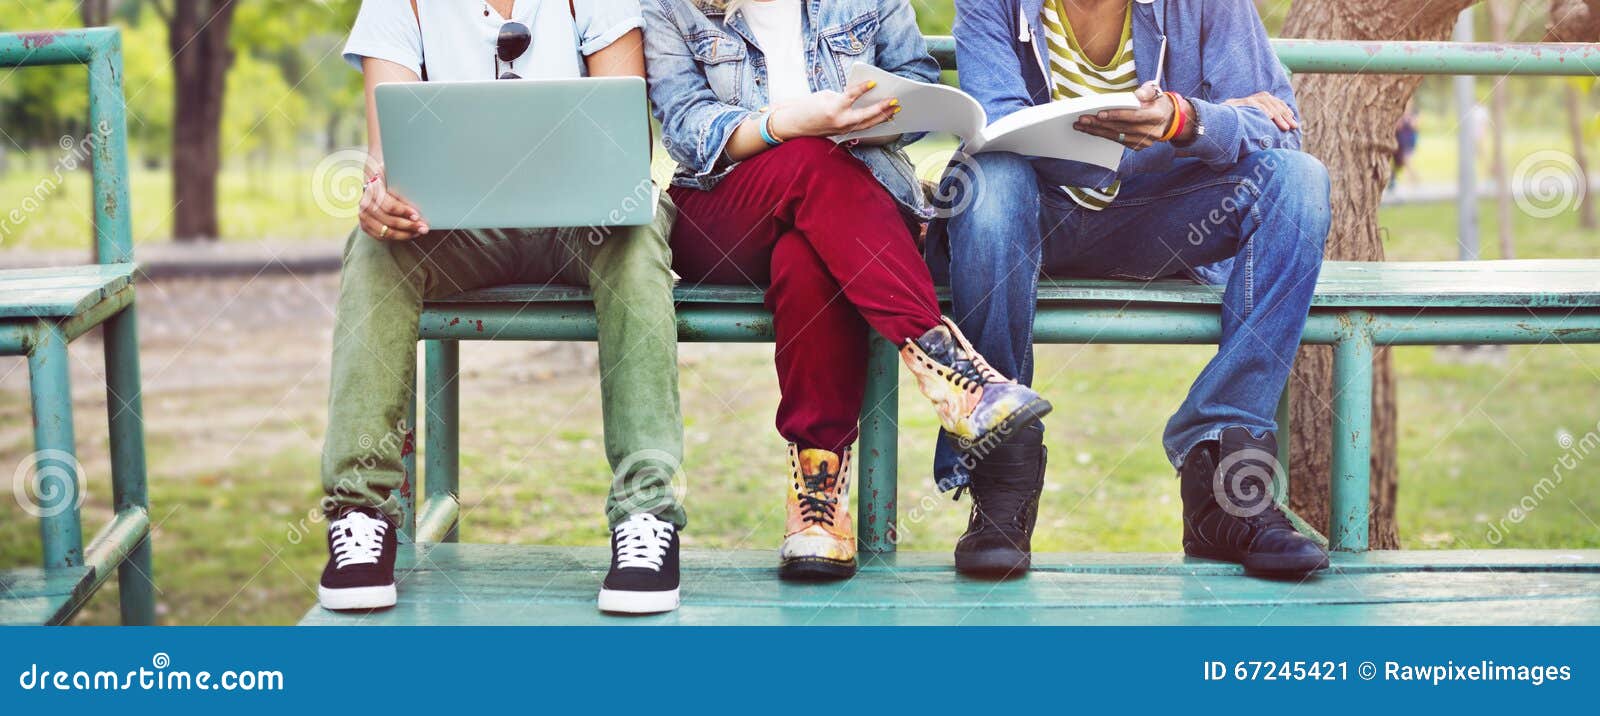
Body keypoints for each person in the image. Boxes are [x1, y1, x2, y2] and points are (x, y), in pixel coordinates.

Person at [641, 0, 1052, 581]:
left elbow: (917, 81)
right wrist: (789, 124)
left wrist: (873, 120)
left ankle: (817, 502)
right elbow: (686, 128)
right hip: (728, 212)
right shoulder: (670, 7)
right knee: (810, 157)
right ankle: (948, 368)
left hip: (858, 206)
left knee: (807, 257)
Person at [929, 0, 1333, 577]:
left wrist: (1185, 120)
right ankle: (1001, 473)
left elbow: (1281, 134)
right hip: (1033, 217)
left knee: (1298, 181)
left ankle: (1224, 480)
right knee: (989, 180)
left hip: (1163, 221)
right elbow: (996, 128)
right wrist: (1187, 134)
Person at [320, 0, 687, 615]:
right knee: (374, 245)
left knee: (637, 228)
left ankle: (645, 515)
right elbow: (388, 165)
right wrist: (378, 197)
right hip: (459, 231)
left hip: (586, 225)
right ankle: (360, 515)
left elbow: (626, 146)